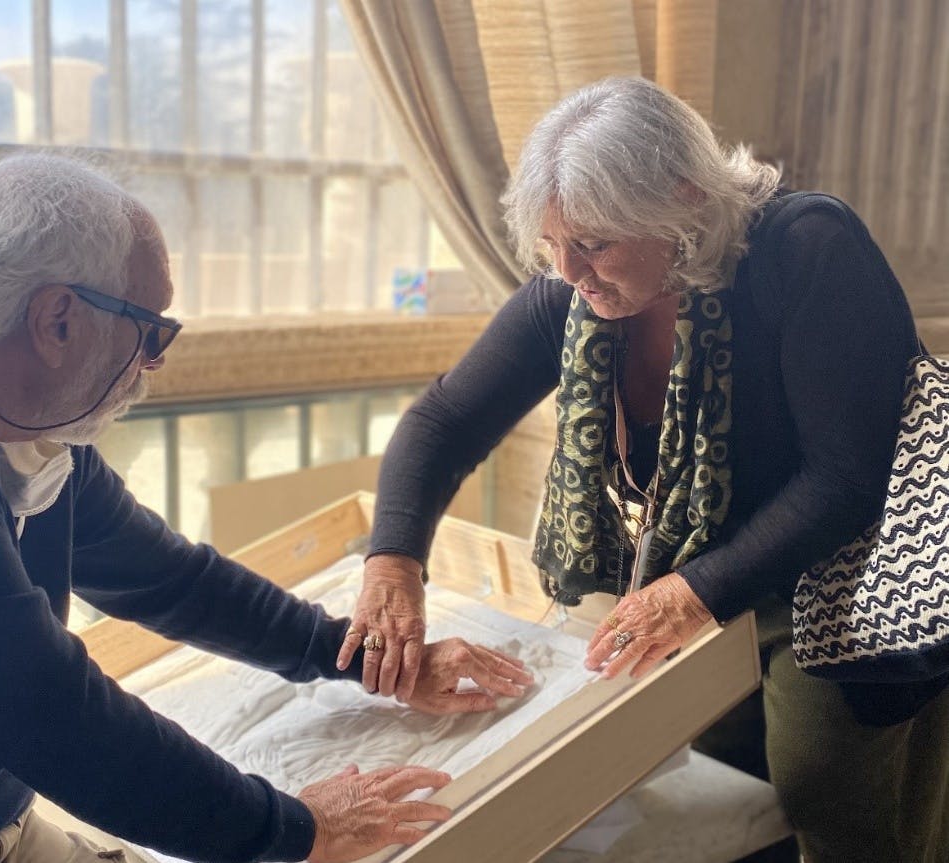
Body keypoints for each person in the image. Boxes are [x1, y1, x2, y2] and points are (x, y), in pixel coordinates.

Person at [0, 153, 535, 863]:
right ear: (57, 321)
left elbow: (173, 580)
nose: (154, 362)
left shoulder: (17, 427)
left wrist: (368, 659)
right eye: (152, 330)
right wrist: (296, 827)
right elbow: (56, 717)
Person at [337, 76, 949, 862]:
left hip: (842, 571)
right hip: (714, 563)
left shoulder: (806, 248)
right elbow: (444, 421)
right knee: (706, 761)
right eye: (552, 245)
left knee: (823, 783)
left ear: (684, 204)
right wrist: (392, 563)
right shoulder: (572, 292)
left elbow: (849, 477)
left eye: (593, 243)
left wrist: (691, 593)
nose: (570, 272)